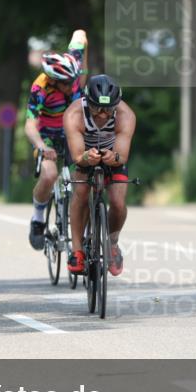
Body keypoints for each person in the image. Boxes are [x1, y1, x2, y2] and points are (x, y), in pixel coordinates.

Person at [64, 74, 136, 276]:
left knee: (118, 202)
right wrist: (87, 158)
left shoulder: (126, 115)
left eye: (108, 109)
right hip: (84, 153)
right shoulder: (73, 114)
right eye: (97, 108)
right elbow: (78, 156)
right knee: (81, 192)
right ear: (87, 101)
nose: (103, 114)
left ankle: (112, 244)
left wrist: (113, 157)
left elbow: (121, 156)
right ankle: (77, 250)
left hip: (113, 154)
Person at [24, 29, 88, 250]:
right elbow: (30, 124)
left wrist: (83, 62)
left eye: (73, 80)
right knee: (50, 174)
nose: (72, 86)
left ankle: (84, 230)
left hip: (73, 131)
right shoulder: (40, 88)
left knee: (83, 179)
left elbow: (80, 34)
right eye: (66, 83)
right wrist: (41, 147)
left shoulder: (73, 66)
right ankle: (38, 219)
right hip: (47, 135)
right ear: (53, 80)